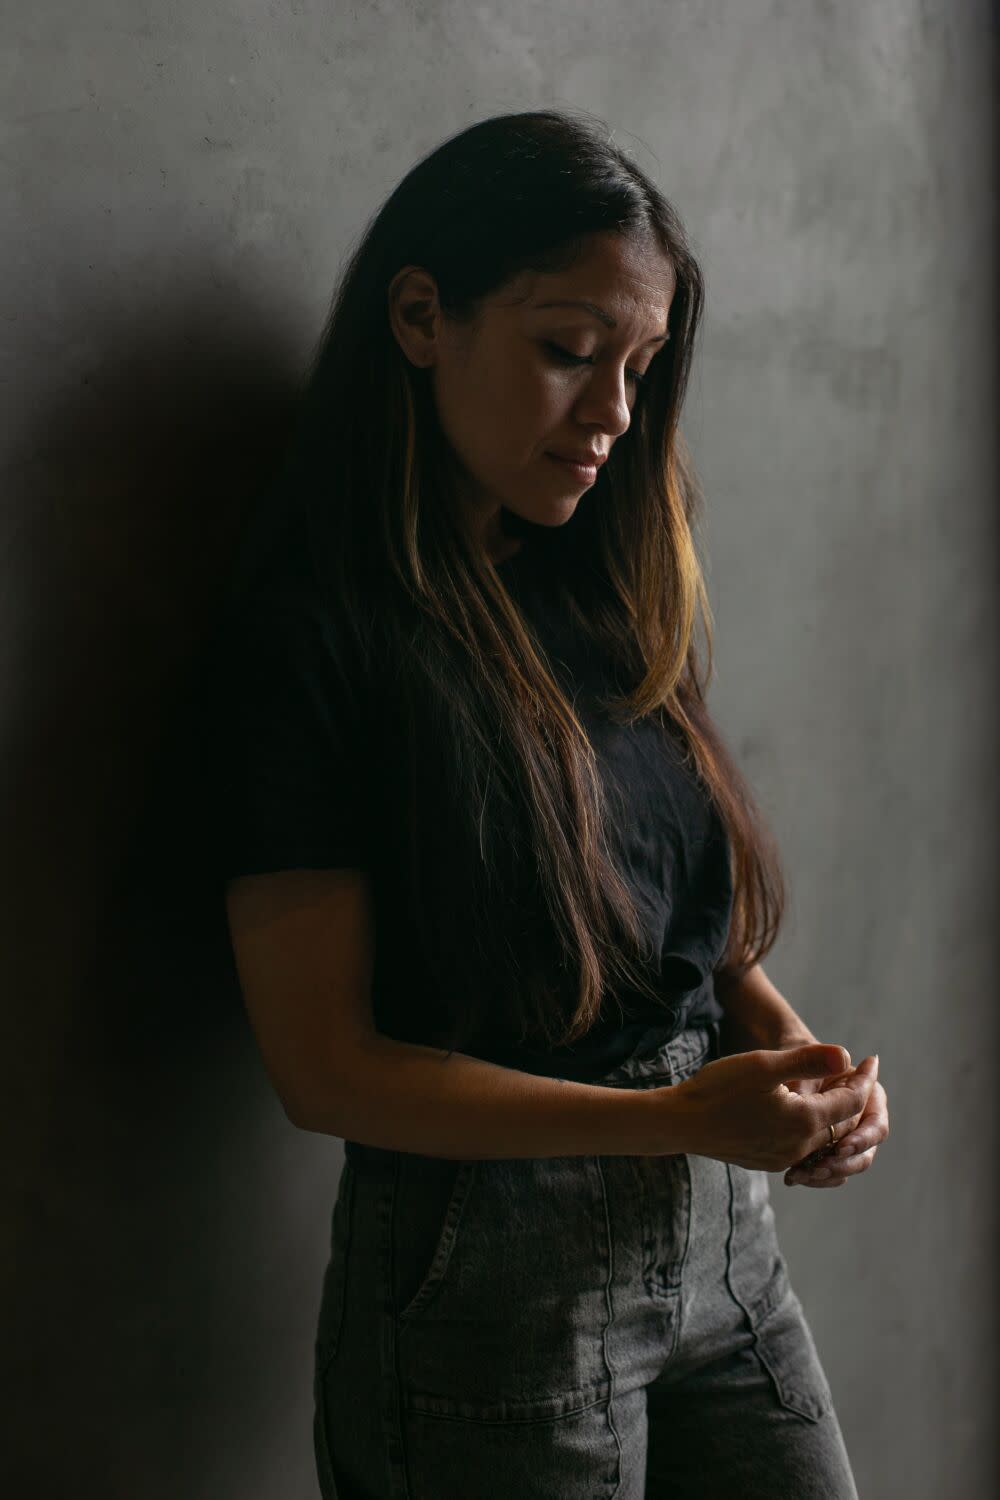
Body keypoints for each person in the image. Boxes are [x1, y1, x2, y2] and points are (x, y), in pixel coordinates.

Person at [204, 109, 889, 1499]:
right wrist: (689, 1116)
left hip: (723, 1250)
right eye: (571, 351)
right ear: (419, 317)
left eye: (638, 367)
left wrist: (798, 1066)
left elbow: (659, 905)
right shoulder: (313, 638)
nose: (616, 415)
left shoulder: (599, 579)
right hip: (483, 1282)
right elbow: (323, 1069)